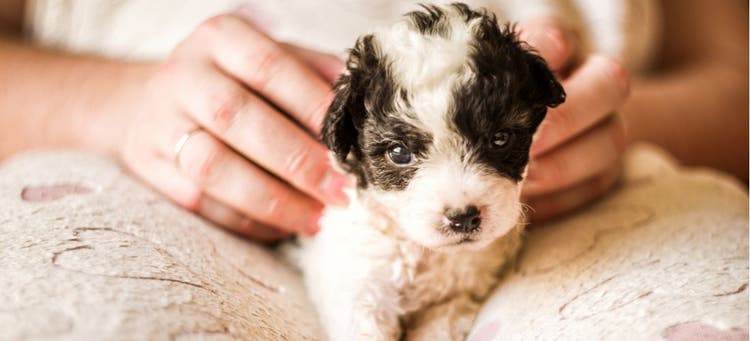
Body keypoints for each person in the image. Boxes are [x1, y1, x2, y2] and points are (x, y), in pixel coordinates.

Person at [0, 1, 746, 241]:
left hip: (605, 212)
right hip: (154, 201)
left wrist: (610, 120)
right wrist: (115, 103)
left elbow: (737, 82)